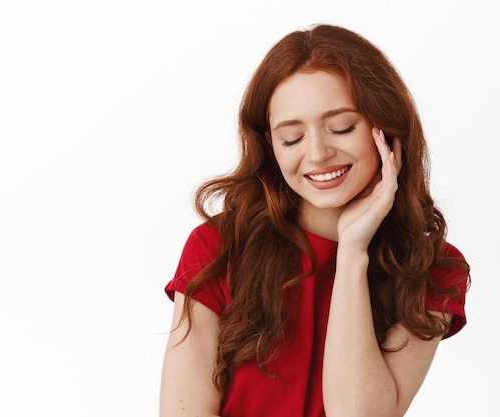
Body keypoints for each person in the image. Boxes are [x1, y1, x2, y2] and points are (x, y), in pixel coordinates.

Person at [159, 23, 470, 417]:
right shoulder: (217, 247)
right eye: (291, 138)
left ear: (386, 128)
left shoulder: (432, 269)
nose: (319, 154)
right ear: (270, 145)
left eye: (341, 127)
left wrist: (353, 253)